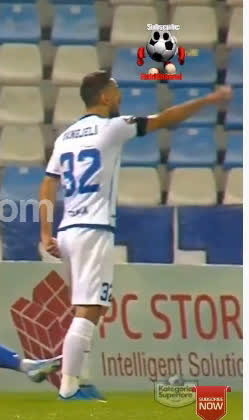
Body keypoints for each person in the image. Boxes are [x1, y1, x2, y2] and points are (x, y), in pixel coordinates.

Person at [39, 71, 233, 401]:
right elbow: (166, 119)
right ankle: (69, 387)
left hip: (68, 230)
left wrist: (45, 232)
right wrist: (208, 100)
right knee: (89, 309)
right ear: (105, 97)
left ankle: (82, 381)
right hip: (94, 228)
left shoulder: (65, 137)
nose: (121, 97)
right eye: (116, 91)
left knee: (89, 308)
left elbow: (48, 184)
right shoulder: (113, 127)